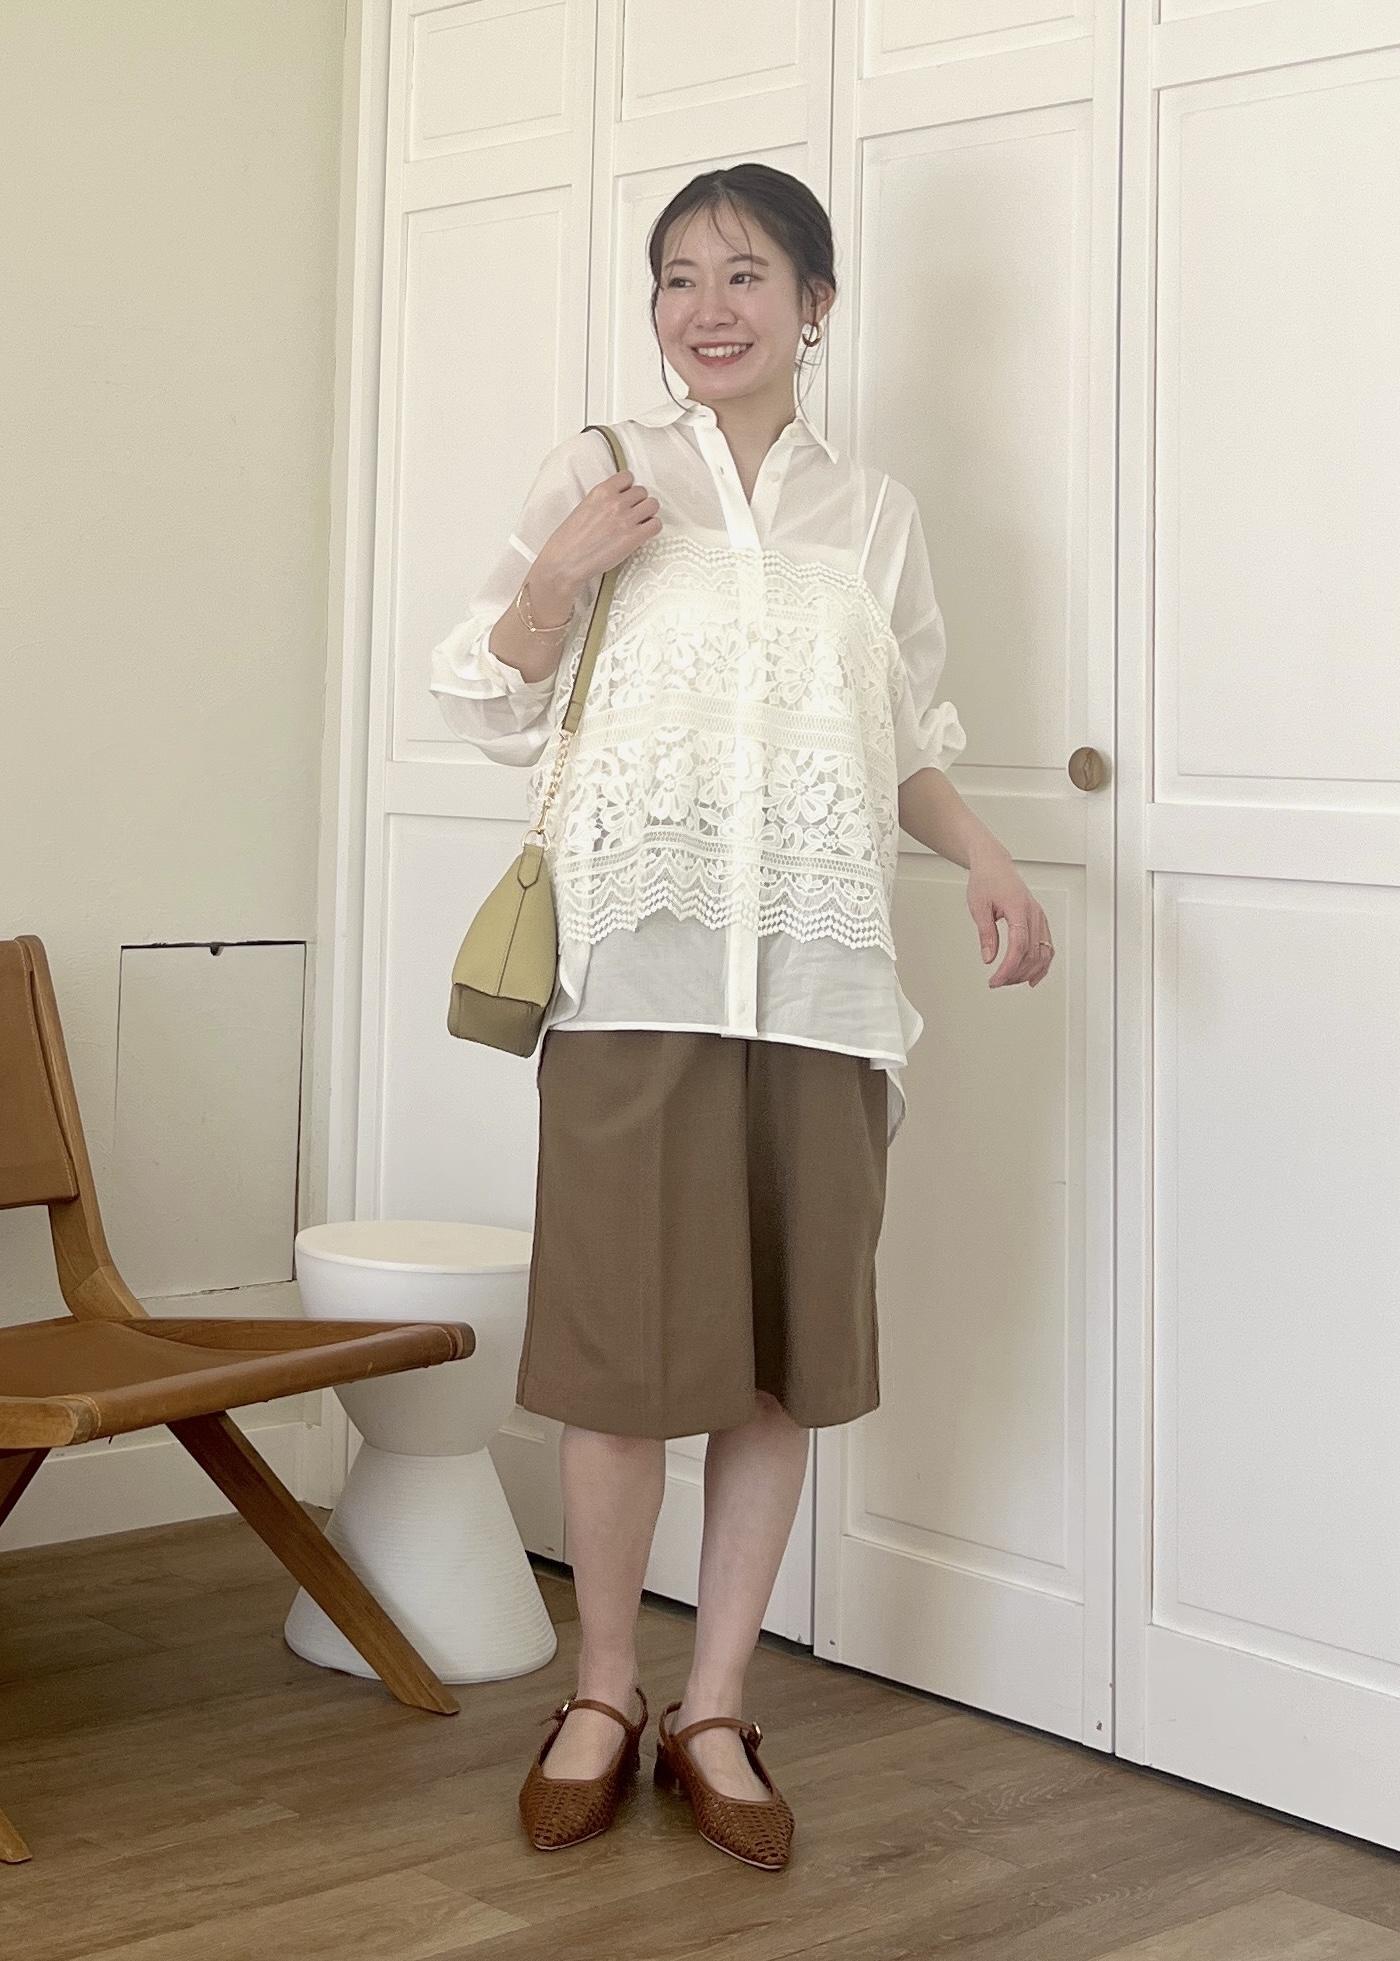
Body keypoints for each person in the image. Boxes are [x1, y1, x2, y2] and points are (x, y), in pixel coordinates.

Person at [430, 163, 1054, 1869]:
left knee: (776, 1366)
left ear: (816, 305)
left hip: (822, 989)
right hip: (634, 976)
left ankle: (715, 1705)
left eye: (748, 274)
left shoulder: (878, 515)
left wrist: (988, 854)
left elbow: (904, 737)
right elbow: (481, 689)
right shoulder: (603, 470)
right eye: (679, 278)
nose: (709, 308)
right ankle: (602, 1691)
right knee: (621, 1366)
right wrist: (561, 574)